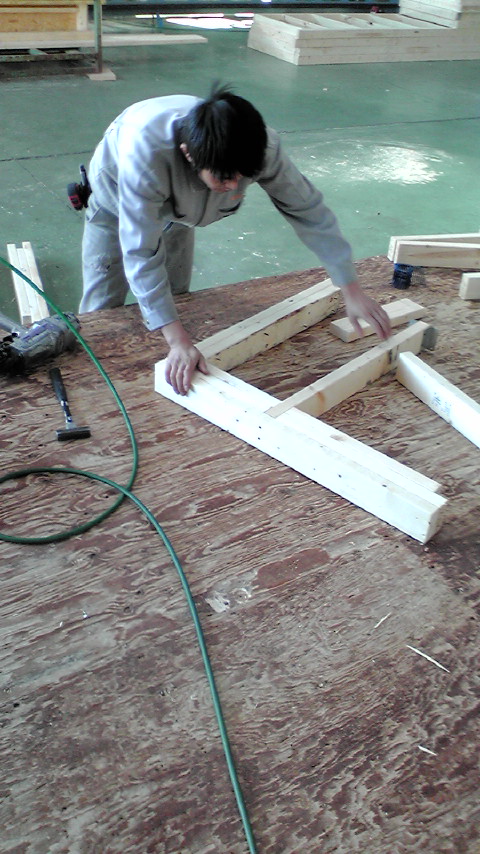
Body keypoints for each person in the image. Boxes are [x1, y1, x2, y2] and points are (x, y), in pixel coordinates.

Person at [80, 82, 391, 395]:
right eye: (224, 177)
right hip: (115, 203)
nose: (232, 186)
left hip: (180, 211)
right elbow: (140, 252)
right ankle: (91, 386)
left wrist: (350, 289)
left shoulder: (258, 146)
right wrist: (178, 342)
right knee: (101, 314)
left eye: (241, 177)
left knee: (179, 299)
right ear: (188, 155)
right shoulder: (146, 157)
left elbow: (308, 210)